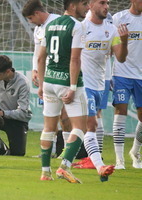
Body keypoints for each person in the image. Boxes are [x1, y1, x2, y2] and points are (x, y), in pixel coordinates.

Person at [70, 0, 128, 180]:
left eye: (108, 3)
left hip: (100, 84)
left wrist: (124, 41)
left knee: (84, 127)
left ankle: (65, 162)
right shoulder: (81, 27)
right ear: (91, 5)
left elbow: (121, 57)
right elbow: (73, 57)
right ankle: (99, 165)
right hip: (84, 84)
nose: (106, 7)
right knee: (91, 125)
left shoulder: (111, 30)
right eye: (102, 3)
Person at [37, 0, 91, 183]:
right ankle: (64, 167)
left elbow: (40, 58)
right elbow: (75, 59)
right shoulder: (77, 26)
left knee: (49, 128)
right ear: (73, 5)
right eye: (84, 4)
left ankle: (45, 173)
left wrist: (42, 85)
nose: (88, 7)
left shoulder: (50, 24)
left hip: (50, 82)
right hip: (67, 82)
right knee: (80, 127)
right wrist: (73, 87)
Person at [22, 0, 72, 158]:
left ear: (37, 13)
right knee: (50, 116)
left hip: (61, 74)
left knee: (64, 116)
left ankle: (65, 151)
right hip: (47, 76)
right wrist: (35, 69)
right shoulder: (38, 29)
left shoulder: (58, 22)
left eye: (31, 18)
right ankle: (48, 152)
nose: (31, 22)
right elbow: (37, 52)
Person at [112, 0, 142, 169]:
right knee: (120, 111)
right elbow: (111, 46)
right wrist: (108, 75)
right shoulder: (119, 18)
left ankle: (135, 152)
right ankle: (119, 160)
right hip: (121, 73)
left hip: (140, 75)